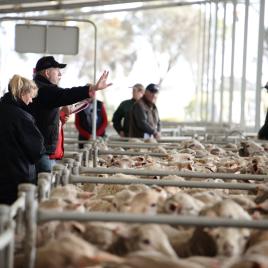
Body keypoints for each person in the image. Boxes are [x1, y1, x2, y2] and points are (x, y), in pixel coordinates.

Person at [29, 56, 111, 173]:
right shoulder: (43, 89)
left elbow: (44, 115)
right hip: (41, 149)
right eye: (57, 71)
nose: (60, 75)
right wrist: (92, 88)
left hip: (42, 147)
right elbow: (65, 94)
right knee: (46, 184)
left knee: (46, 183)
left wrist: (60, 117)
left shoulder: (40, 87)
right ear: (47, 72)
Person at [0, 75, 45, 205]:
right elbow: (37, 151)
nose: (31, 101)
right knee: (15, 218)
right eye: (30, 96)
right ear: (23, 93)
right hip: (17, 178)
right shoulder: (23, 117)